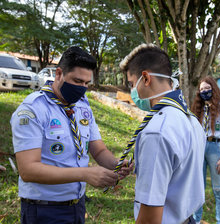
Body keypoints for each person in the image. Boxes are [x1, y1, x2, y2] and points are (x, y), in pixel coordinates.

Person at [10, 46, 132, 224]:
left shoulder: (82, 106)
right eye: (77, 81)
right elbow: (28, 170)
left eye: (86, 84)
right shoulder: (33, 110)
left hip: (77, 206)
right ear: (59, 74)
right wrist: (85, 174)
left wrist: (116, 164)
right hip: (44, 210)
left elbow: (98, 150)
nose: (82, 89)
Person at [119, 43, 206, 224]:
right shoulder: (190, 119)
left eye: (132, 84)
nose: (132, 91)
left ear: (146, 78)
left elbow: (150, 217)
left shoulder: (157, 132)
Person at [191, 76, 220, 224]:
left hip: (216, 147)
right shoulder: (200, 108)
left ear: (214, 88)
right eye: (202, 89)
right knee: (198, 187)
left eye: (207, 88)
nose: (205, 91)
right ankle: (195, 219)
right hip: (200, 147)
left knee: (218, 188)